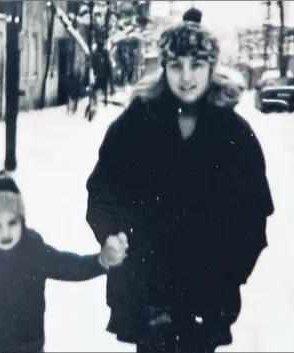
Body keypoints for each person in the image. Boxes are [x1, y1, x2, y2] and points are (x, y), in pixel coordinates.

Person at [86, 7, 274, 353]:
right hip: (146, 290)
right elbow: (103, 192)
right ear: (164, 67)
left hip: (207, 293)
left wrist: (230, 274)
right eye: (176, 65)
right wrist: (109, 234)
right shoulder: (135, 124)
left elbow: (254, 214)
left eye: (196, 65)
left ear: (211, 67)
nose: (186, 77)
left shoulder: (234, 133)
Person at [0, 171, 128, 353]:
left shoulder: (33, 250)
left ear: (22, 220)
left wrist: (102, 261)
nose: (5, 233)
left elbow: (70, 266)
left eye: (12, 223)